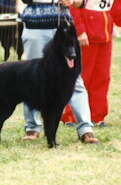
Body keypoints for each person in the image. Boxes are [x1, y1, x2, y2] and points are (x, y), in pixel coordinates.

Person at [21, 0, 99, 144]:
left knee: (74, 81)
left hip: (64, 28)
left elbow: (83, 3)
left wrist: (74, 0)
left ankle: (85, 129)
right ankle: (32, 127)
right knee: (32, 78)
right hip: (35, 27)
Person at [61, 0, 121, 127]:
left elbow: (116, 8)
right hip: (87, 33)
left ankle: (97, 115)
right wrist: (80, 30)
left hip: (105, 34)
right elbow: (73, 6)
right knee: (81, 76)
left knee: (102, 76)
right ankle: (70, 115)